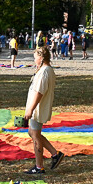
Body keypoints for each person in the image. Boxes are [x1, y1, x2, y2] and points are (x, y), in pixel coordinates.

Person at [22, 46, 65, 174]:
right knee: (32, 132)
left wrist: (30, 109)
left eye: (35, 58)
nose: (34, 60)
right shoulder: (47, 70)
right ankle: (55, 154)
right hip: (38, 107)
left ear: (41, 58)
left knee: (35, 135)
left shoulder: (44, 71)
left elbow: (39, 92)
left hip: (38, 108)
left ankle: (39, 166)